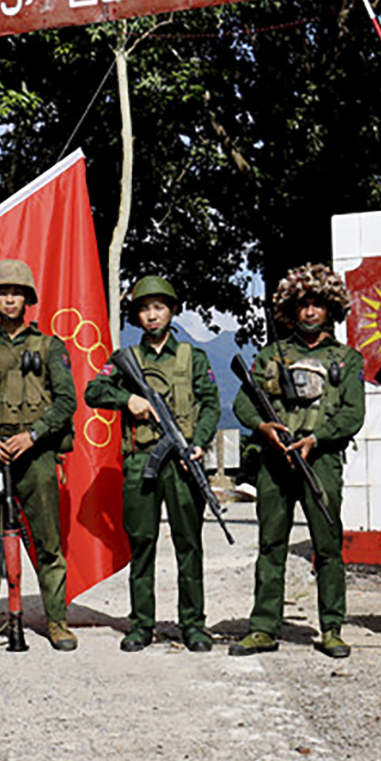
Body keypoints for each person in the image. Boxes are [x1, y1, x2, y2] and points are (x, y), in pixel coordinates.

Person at [229, 264, 365, 659]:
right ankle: (263, 628)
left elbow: (352, 414)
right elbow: (243, 399)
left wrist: (316, 438)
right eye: (302, 304)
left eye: (318, 304)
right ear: (291, 309)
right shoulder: (273, 354)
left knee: (328, 546)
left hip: (320, 462)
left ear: (331, 309)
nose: (309, 312)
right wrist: (262, 426)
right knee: (271, 544)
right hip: (275, 463)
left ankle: (332, 628)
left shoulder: (346, 359)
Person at [84, 275, 222, 653]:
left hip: (182, 463)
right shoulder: (126, 360)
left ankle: (193, 625)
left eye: (159, 307)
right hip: (141, 462)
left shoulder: (194, 357)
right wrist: (128, 400)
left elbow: (210, 403)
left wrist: (197, 443)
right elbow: (93, 391)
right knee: (142, 544)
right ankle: (141, 625)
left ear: (172, 310)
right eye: (144, 309)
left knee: (189, 545)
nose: (151, 315)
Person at [0, 259, 79, 653]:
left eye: (16, 292)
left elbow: (67, 400)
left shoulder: (49, 346)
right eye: (2, 292)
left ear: (27, 298)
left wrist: (34, 434)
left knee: (47, 543)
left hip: (35, 455)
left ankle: (56, 620)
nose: (9, 298)